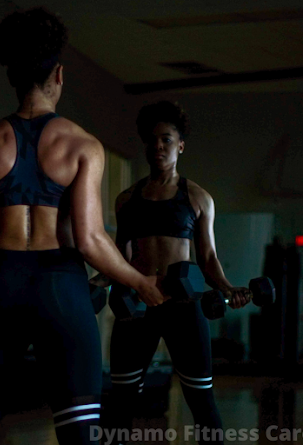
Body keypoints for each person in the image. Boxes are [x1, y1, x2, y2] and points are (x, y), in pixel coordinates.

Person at [0, 8, 164, 445]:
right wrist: (140, 282)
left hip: (0, 287)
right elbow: (90, 241)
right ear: (59, 75)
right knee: (80, 436)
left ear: (13, 77)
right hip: (62, 289)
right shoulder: (83, 145)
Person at [91, 101, 250, 445]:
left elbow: (208, 257)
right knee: (120, 403)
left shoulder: (198, 198)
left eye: (166, 139)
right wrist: (97, 281)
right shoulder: (127, 199)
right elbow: (121, 256)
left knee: (201, 402)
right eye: (152, 140)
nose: (158, 146)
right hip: (137, 307)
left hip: (183, 308)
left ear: (180, 146)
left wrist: (227, 287)